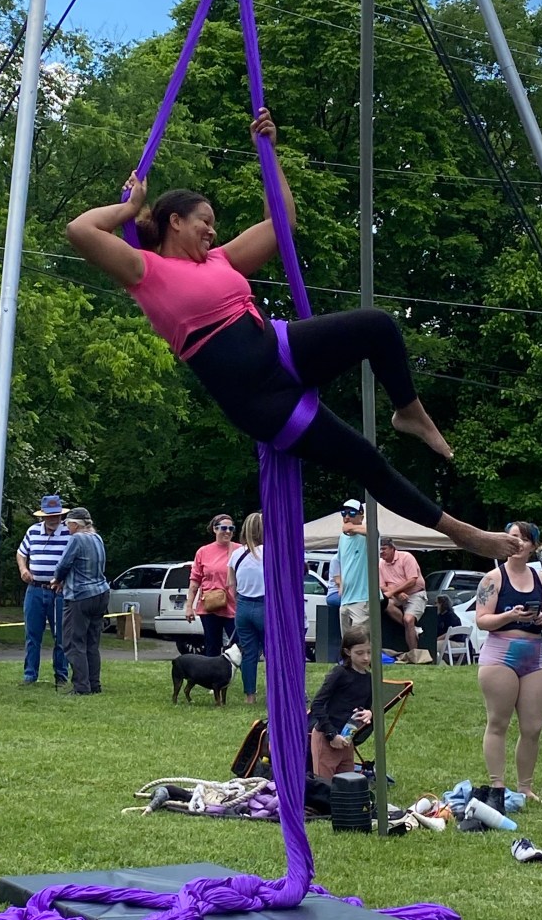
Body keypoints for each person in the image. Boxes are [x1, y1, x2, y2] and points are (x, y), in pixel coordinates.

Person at [66, 107, 518, 562]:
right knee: (365, 459)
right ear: (175, 221)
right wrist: (128, 207)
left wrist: (269, 155)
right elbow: (80, 229)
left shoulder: (220, 260)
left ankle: (409, 410)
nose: (212, 229)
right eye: (204, 219)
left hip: (279, 347)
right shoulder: (146, 271)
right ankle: (465, 534)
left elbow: (283, 223)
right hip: (262, 400)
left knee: (377, 325)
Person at [475, 520, 542, 801]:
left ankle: (525, 787)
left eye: (524, 539)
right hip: (501, 654)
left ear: (534, 546)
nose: (518, 543)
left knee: (532, 727)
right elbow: (482, 620)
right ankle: (498, 785)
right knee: (498, 722)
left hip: (533, 656)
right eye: (512, 537)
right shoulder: (492, 579)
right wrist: (510, 616)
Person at [50, 506, 110, 696]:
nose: (67, 528)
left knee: (74, 642)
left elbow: (64, 563)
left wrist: (57, 580)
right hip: (101, 593)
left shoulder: (76, 539)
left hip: (80, 596)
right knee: (92, 642)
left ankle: (81, 687)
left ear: (75, 524)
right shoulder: (97, 538)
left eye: (68, 524)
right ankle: (94, 684)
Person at [16, 495, 71, 686]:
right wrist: (23, 569)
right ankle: (30, 675)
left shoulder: (68, 533)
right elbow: (21, 553)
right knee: (32, 634)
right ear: (43, 517)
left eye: (57, 515)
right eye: (50, 516)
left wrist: (66, 580)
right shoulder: (32, 531)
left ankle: (61, 676)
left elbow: (74, 559)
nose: (54, 519)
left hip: (59, 591)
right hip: (35, 589)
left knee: (62, 635)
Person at [309, 627, 373, 778]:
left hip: (347, 739)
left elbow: (369, 706)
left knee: (346, 785)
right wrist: (332, 734)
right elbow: (317, 704)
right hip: (326, 737)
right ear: (347, 651)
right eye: (360, 653)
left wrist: (369, 712)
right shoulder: (339, 673)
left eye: (369, 652)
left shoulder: (369, 678)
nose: (365, 658)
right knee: (325, 786)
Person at [185, 514, 242, 657]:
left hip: (234, 606)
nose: (228, 531)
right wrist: (189, 607)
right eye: (223, 528)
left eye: (231, 528)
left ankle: (245, 677)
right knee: (212, 645)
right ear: (215, 529)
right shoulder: (203, 552)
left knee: (239, 644)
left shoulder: (241, 550)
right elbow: (194, 581)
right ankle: (212, 678)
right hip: (210, 606)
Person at [228, 512, 265, 704]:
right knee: (272, 653)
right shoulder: (270, 552)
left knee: (249, 654)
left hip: (242, 607)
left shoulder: (236, 554)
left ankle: (249, 696)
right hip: (265, 606)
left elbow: (231, 584)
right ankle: (276, 692)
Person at [378, 537, 427, 652]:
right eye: (379, 549)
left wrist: (394, 592)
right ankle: (413, 629)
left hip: (415, 594)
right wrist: (397, 593)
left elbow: (412, 580)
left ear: (392, 548)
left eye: (384, 549)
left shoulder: (406, 557)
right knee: (386, 604)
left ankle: (414, 654)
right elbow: (381, 586)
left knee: (408, 619)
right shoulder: (380, 564)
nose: (381, 552)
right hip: (396, 596)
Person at [337, 500, 372, 634]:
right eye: (344, 513)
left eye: (352, 513)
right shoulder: (342, 538)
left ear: (361, 517)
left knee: (360, 639)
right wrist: (340, 583)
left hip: (362, 599)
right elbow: (340, 562)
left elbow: (374, 531)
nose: (347, 517)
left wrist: (350, 528)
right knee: (346, 642)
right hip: (345, 598)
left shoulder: (367, 537)